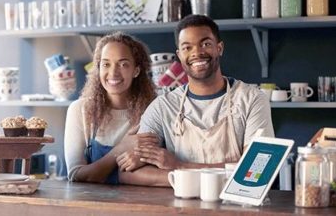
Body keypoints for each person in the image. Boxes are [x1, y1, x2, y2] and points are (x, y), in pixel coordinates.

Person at [117, 15, 275, 186]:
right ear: (179, 54)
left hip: (237, 207)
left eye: (205, 44)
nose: (197, 53)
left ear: (219, 48)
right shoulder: (162, 107)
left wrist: (180, 167)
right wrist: (183, 178)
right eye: (187, 47)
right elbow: (128, 173)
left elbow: (258, 170)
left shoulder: (252, 99)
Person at [64, 32, 158, 184]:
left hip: (139, 203)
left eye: (123, 64)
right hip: (92, 203)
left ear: (136, 70)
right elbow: (76, 175)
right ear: (98, 68)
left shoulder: (153, 111)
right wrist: (121, 149)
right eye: (106, 64)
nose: (113, 73)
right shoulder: (79, 110)